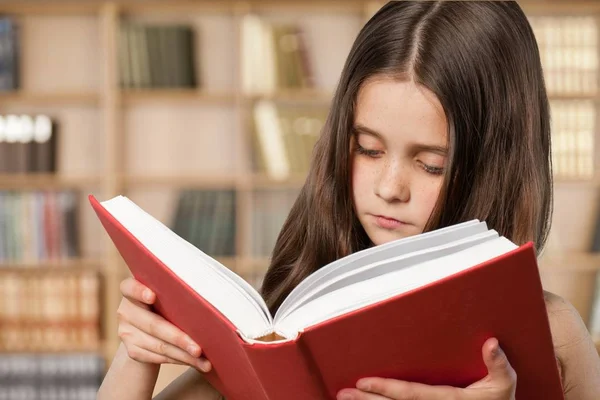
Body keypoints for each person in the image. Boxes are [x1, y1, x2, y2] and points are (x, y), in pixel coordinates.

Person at [97, 1, 600, 399]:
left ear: (496, 165)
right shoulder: (287, 324)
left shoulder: (553, 336)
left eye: (431, 165)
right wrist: (137, 357)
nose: (389, 188)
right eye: (368, 149)